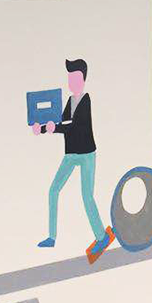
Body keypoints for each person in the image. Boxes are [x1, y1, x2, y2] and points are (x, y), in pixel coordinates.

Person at [30, 58, 114, 264]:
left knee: (87, 196)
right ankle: (51, 237)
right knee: (54, 190)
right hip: (71, 154)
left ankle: (101, 237)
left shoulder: (86, 101)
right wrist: (43, 128)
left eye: (75, 78)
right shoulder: (70, 101)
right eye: (70, 78)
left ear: (83, 80)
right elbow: (60, 122)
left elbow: (73, 126)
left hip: (87, 154)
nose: (72, 82)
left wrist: (54, 127)